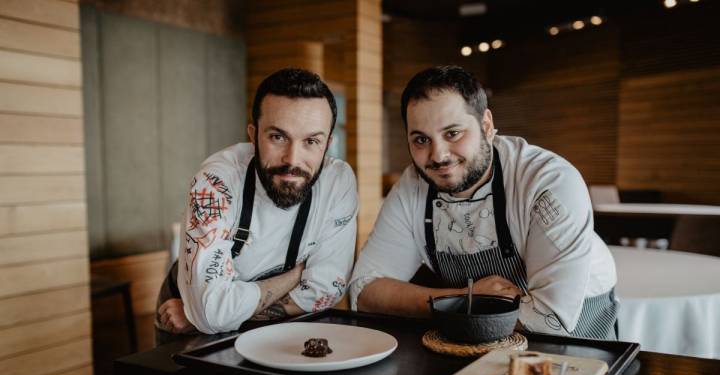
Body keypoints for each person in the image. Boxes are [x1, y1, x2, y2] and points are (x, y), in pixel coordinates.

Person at [349, 65, 617, 339]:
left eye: (453, 133)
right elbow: (364, 292)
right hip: (471, 334)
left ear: (486, 126)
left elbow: (549, 319)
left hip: (578, 324)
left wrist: (455, 305)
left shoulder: (546, 182)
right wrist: (465, 298)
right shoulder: (412, 187)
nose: (438, 155)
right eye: (421, 140)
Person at [156, 68, 357, 338]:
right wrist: (298, 276)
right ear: (253, 135)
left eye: (311, 141)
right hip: (184, 321)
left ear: (328, 144)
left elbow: (327, 291)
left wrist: (217, 314)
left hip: (210, 319)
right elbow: (208, 311)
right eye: (278, 137)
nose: (292, 159)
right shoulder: (216, 182)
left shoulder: (338, 183)